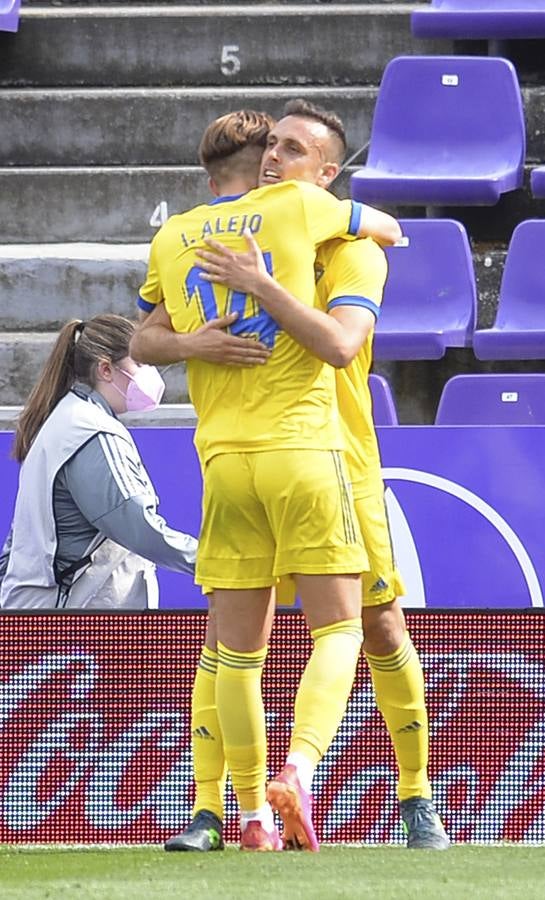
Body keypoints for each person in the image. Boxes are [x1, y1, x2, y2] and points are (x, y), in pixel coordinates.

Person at [140, 101, 448, 852]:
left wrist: (265, 286)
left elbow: (343, 341)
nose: (276, 157)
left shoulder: (346, 248)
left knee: (376, 625)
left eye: (294, 148)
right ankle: (216, 809)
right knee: (228, 643)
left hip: (338, 455)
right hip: (266, 453)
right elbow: (147, 333)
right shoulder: (240, 232)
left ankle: (415, 798)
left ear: (327, 173)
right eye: (270, 144)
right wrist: (195, 345)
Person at [0, 314, 197, 610]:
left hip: (44, 614)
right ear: (106, 369)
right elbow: (139, 527)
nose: (150, 374)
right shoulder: (91, 431)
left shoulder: (64, 419)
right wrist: (217, 562)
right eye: (140, 363)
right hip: (74, 624)